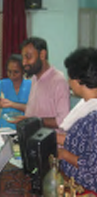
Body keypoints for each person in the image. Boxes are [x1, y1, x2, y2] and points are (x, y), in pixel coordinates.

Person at [57, 48, 97, 193]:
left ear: (79, 80)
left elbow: (93, 169)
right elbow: (85, 141)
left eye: (70, 77)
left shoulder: (95, 116)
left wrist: (64, 154)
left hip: (87, 189)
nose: (68, 82)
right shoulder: (89, 104)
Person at [10, 37, 70, 131]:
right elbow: (34, 110)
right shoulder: (34, 78)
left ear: (42, 55)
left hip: (49, 142)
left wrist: (35, 122)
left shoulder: (58, 81)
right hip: (31, 138)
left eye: (28, 57)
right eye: (23, 58)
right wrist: (26, 120)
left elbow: (63, 121)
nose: (24, 62)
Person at [0, 54, 31, 130]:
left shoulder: (31, 86)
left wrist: (12, 104)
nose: (12, 75)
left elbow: (34, 111)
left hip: (24, 129)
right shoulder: (2, 84)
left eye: (16, 72)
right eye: (9, 71)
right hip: (4, 129)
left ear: (23, 71)